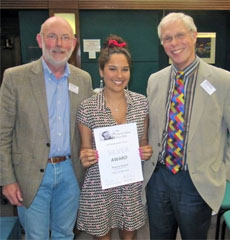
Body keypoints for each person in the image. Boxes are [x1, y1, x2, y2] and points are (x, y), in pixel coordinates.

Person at [142, 12, 230, 239]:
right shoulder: (154, 80)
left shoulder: (224, 81)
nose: (174, 43)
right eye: (168, 38)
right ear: (162, 43)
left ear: (194, 36)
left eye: (180, 35)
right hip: (158, 178)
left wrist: (223, 174)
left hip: (196, 181)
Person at [0, 16, 93, 239]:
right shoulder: (15, 78)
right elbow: (3, 133)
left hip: (71, 172)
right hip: (30, 174)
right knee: (36, 236)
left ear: (74, 42)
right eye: (52, 37)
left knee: (64, 233)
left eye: (65, 38)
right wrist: (7, 180)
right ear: (40, 40)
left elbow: (89, 126)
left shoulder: (83, 80)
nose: (59, 44)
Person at [76, 34, 153, 240]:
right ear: (101, 71)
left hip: (130, 184)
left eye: (124, 69)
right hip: (100, 184)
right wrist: (86, 156)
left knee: (129, 235)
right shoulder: (88, 107)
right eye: (112, 68)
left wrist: (146, 150)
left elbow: (144, 142)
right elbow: (84, 150)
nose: (119, 75)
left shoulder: (141, 103)